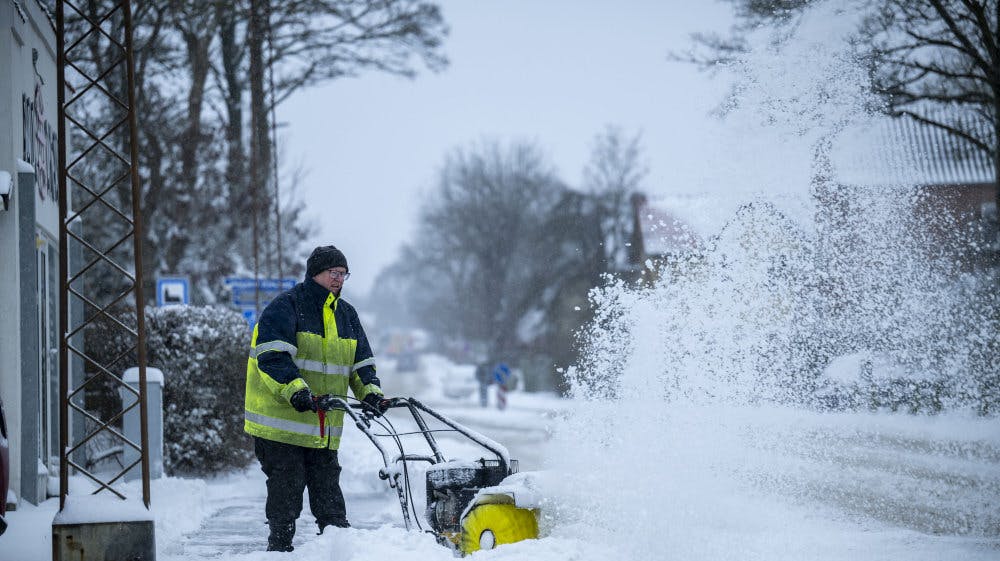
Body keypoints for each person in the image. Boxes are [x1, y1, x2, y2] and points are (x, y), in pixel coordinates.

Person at [244, 245, 390, 552]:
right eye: (333, 273)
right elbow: (271, 357)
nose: (339, 279)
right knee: (287, 492)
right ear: (315, 274)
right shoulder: (286, 307)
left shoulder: (347, 315)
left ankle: (340, 551)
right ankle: (279, 550)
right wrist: (297, 391)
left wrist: (372, 395)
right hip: (281, 425)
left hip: (322, 428)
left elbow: (361, 365)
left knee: (330, 499)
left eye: (343, 274)